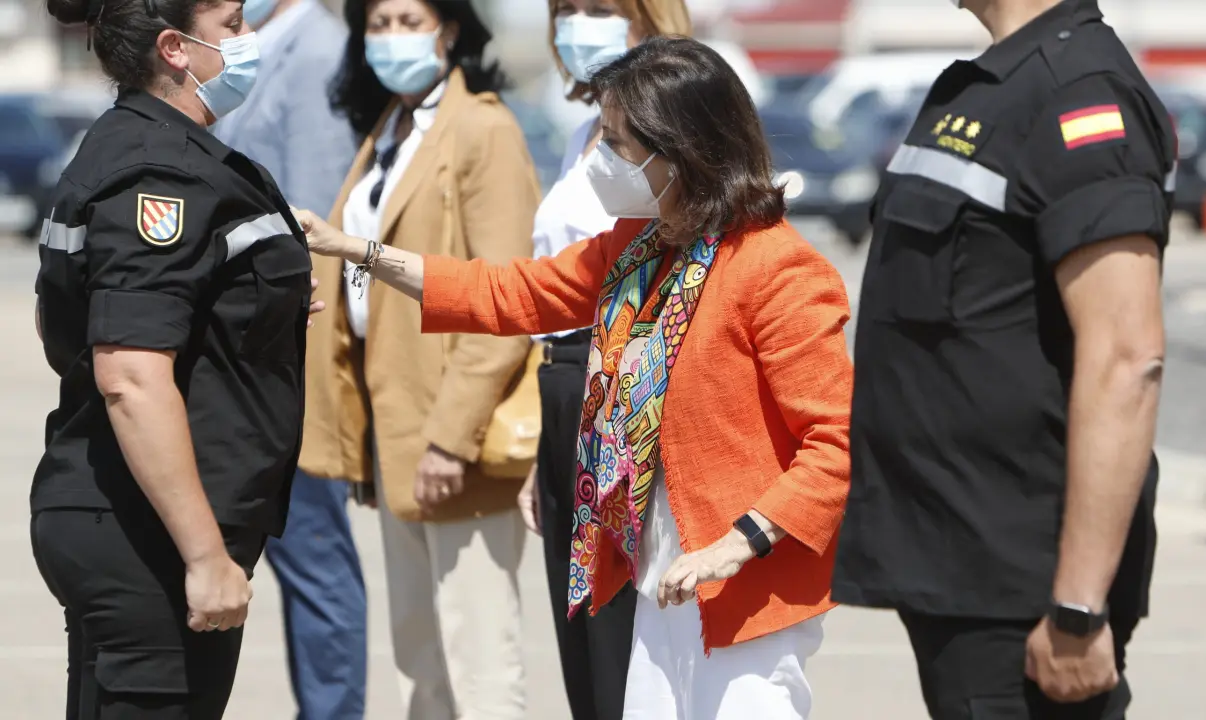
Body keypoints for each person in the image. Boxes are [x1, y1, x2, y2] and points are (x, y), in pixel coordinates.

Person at [296, 36, 853, 719]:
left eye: (617, 144)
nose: (600, 159)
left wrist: (735, 545)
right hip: (657, 577)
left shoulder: (778, 269)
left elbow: (834, 445)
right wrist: (355, 250)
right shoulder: (638, 250)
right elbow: (506, 294)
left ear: (681, 151)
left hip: (743, 587)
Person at [831, 1, 1174, 718]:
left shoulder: (1079, 92)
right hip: (956, 570)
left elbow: (1127, 356)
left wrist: (1078, 608)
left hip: (1025, 595)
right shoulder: (987, 86)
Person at [33, 0, 320, 715]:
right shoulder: (162, 171)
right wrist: (203, 555)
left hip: (128, 516)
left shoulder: (127, 144)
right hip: (148, 534)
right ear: (175, 48)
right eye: (232, 23)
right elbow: (129, 374)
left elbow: (67, 320)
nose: (249, 38)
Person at [298, 0, 538, 716]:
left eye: (409, 20)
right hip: (395, 427)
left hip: (454, 437)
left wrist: (450, 437)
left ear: (450, 30)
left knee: (479, 665)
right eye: (379, 24)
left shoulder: (483, 129)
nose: (391, 37)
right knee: (421, 662)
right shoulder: (391, 128)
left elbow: (504, 302)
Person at [518, 2, 691, 719]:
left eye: (600, 7)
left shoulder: (672, 124)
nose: (578, 23)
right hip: (566, 380)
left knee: (622, 635)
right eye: (568, 9)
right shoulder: (582, 134)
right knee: (582, 639)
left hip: (627, 378)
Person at [212, 0, 365, 716]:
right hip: (240, 359)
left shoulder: (316, 51)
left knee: (313, 556)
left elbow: (316, 231)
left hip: (287, 358)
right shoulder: (254, 43)